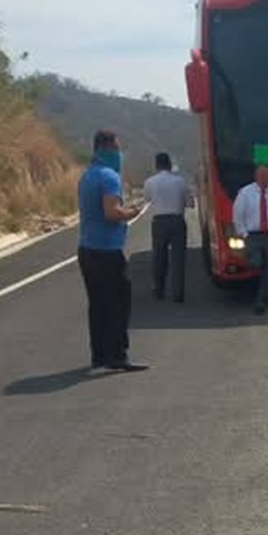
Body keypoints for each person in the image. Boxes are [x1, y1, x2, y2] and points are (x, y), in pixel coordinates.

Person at [77, 130, 148, 372]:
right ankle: (117, 356)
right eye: (117, 148)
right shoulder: (109, 177)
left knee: (97, 305)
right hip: (107, 251)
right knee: (118, 304)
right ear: (107, 149)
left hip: (87, 249)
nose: (120, 153)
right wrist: (132, 212)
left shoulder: (87, 175)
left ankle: (99, 355)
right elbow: (111, 212)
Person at [232, 163, 268, 314]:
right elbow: (237, 216)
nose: (266, 178)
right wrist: (244, 234)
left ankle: (261, 301)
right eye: (263, 175)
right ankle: (253, 289)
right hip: (253, 237)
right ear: (256, 176)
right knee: (256, 263)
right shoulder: (245, 193)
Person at [143, 152, 192, 303]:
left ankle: (159, 289)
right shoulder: (180, 181)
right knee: (178, 258)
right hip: (177, 221)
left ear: (156, 165)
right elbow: (190, 203)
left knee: (159, 256)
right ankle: (178, 293)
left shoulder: (150, 182)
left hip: (159, 222)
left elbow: (147, 199)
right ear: (169, 165)